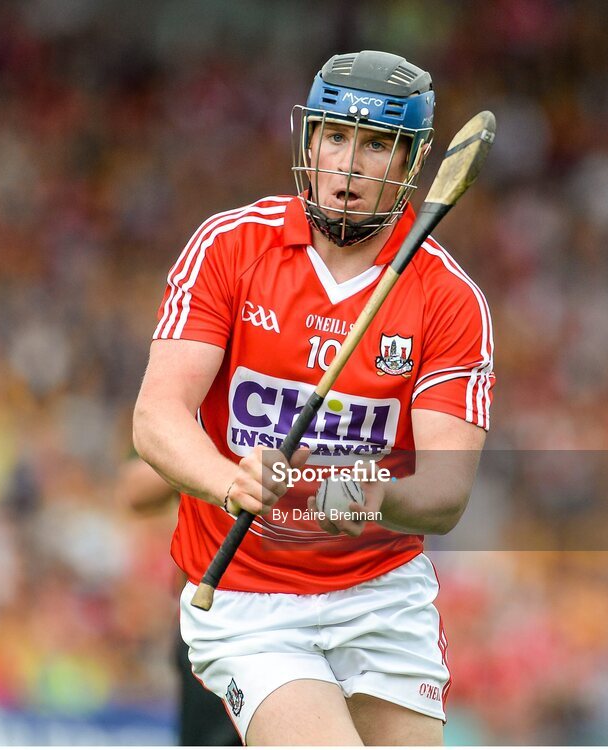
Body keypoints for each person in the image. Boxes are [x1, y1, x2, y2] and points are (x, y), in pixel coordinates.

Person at [133, 50, 494, 745]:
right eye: (335, 136)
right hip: (248, 596)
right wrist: (231, 482)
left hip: (381, 596)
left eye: (376, 144)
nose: (349, 166)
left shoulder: (449, 299)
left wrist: (361, 491)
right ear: (308, 141)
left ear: (412, 161)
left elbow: (446, 492)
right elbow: (156, 418)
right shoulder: (231, 247)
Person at [115, 457, 243, 747]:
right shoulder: (204, 430)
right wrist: (211, 461)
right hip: (213, 626)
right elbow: (134, 490)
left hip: (307, 614)